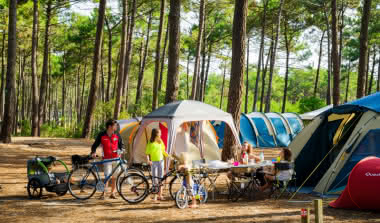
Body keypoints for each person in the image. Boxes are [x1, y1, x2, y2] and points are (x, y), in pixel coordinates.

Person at [91, 119, 124, 200]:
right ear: (110, 126)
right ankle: (103, 194)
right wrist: (93, 152)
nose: (116, 127)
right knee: (107, 177)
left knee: (115, 177)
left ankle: (113, 193)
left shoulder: (117, 134)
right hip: (106, 159)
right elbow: (94, 145)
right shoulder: (101, 134)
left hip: (116, 158)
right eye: (115, 125)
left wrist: (122, 150)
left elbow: (121, 145)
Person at [146, 128, 170, 202]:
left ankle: (160, 195)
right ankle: (155, 196)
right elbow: (147, 153)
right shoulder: (150, 142)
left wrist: (169, 156)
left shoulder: (160, 141)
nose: (161, 134)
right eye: (160, 133)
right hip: (154, 163)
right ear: (156, 134)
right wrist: (148, 160)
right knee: (155, 180)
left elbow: (163, 151)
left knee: (161, 179)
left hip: (161, 161)